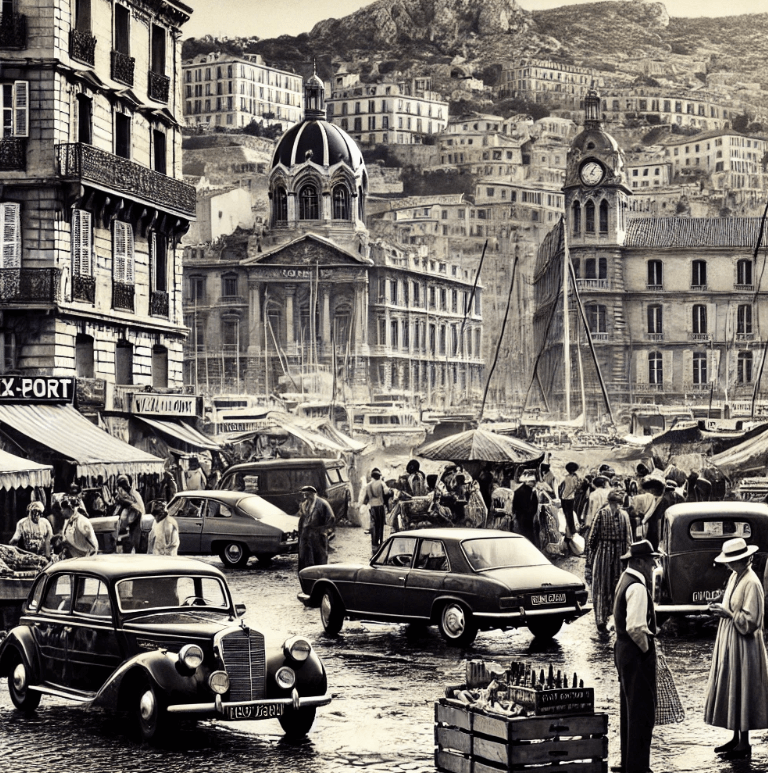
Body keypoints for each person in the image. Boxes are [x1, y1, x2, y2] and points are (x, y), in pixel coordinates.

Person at [704, 537, 768, 759]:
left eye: (731, 561)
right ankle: (735, 737)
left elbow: (752, 621)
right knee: (734, 685)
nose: (727, 565)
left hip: (744, 644)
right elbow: (731, 602)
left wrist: (729, 614)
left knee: (743, 687)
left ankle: (744, 743)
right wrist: (720, 606)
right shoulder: (735, 576)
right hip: (731, 638)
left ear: (743, 560)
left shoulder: (751, 582)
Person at [613, 539, 659, 773]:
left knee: (629, 709)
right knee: (641, 712)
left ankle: (629, 760)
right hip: (634, 653)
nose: (652, 567)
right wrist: (647, 650)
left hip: (622, 651)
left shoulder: (625, 579)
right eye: (651, 562)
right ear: (639, 562)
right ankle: (638, 766)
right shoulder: (638, 587)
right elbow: (636, 627)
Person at [585, 489, 633, 633]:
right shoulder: (624, 515)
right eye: (617, 504)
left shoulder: (602, 514)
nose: (617, 507)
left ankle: (603, 619)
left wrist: (590, 557)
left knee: (602, 586)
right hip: (617, 555)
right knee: (614, 586)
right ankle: (611, 618)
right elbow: (629, 540)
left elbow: (591, 539)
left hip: (606, 554)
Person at [297, 485, 335, 572]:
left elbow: (331, 518)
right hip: (306, 536)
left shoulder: (322, 504)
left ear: (313, 494)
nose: (306, 497)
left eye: (308, 494)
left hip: (318, 535)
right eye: (304, 495)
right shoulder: (304, 505)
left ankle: (320, 576)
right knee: (305, 559)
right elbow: (302, 519)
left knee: (319, 558)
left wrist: (324, 531)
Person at [114, 474, 145, 554]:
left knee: (135, 544)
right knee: (126, 546)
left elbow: (139, 508)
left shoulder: (134, 494)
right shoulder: (123, 494)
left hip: (136, 522)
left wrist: (128, 503)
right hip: (127, 524)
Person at [363, 468, 390, 553]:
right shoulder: (382, 484)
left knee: (374, 526)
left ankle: (374, 545)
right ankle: (381, 543)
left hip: (372, 508)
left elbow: (365, 499)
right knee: (381, 526)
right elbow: (387, 493)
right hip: (380, 507)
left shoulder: (368, 486)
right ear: (379, 476)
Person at [512, 472, 539, 545]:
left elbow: (514, 504)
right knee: (529, 533)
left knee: (522, 532)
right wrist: (532, 514)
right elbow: (534, 504)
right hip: (528, 516)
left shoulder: (517, 491)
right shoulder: (531, 492)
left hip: (520, 515)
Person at [560, 462, 581, 537]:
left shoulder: (566, 477)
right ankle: (572, 530)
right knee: (570, 514)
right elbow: (577, 487)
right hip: (570, 497)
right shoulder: (575, 477)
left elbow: (563, 487)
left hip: (563, 497)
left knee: (566, 514)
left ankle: (567, 529)